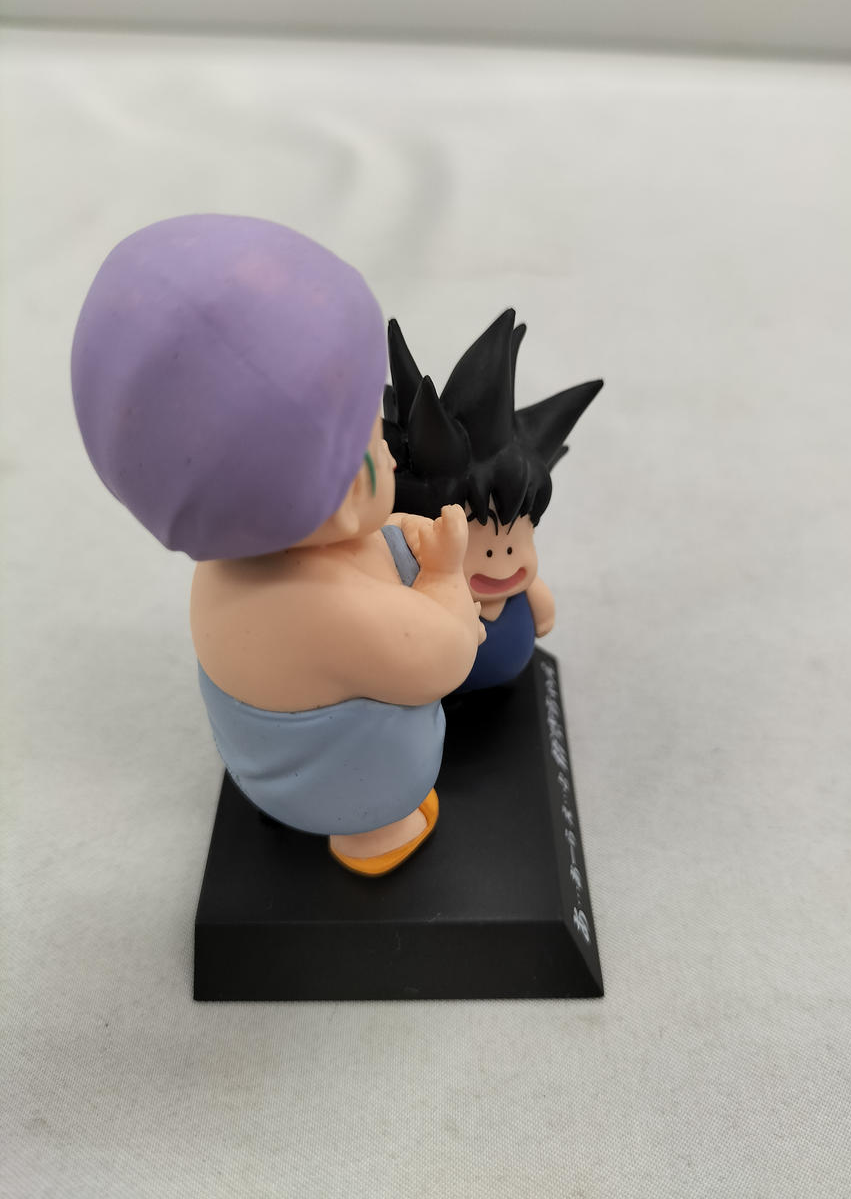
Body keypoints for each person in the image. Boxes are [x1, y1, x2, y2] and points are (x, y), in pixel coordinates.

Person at [72, 214, 483, 875]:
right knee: (400, 750)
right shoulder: (331, 609)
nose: (390, 450)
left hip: (263, 750)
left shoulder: (233, 555)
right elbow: (446, 657)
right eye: (373, 441)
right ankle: (374, 833)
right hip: (335, 777)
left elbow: (362, 553)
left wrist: (399, 542)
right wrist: (443, 574)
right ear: (340, 493)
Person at [383, 309, 602, 691]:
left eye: (517, 538)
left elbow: (542, 612)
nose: (501, 559)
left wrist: (541, 605)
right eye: (479, 542)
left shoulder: (518, 586)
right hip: (436, 689)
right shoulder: (421, 589)